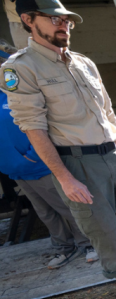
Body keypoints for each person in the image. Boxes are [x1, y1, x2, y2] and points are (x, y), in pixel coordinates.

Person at [2, 0, 116, 299]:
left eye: (67, 21)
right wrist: (65, 178)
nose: (64, 25)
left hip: (113, 154)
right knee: (103, 230)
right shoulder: (20, 68)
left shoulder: (84, 63)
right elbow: (34, 129)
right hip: (76, 162)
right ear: (28, 20)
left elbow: (108, 117)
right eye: (54, 19)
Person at [0, 89, 92, 268]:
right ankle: (64, 247)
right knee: (45, 212)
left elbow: (44, 125)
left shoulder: (18, 93)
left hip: (40, 166)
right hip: (16, 171)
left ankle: (89, 244)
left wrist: (34, 156)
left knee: (67, 206)